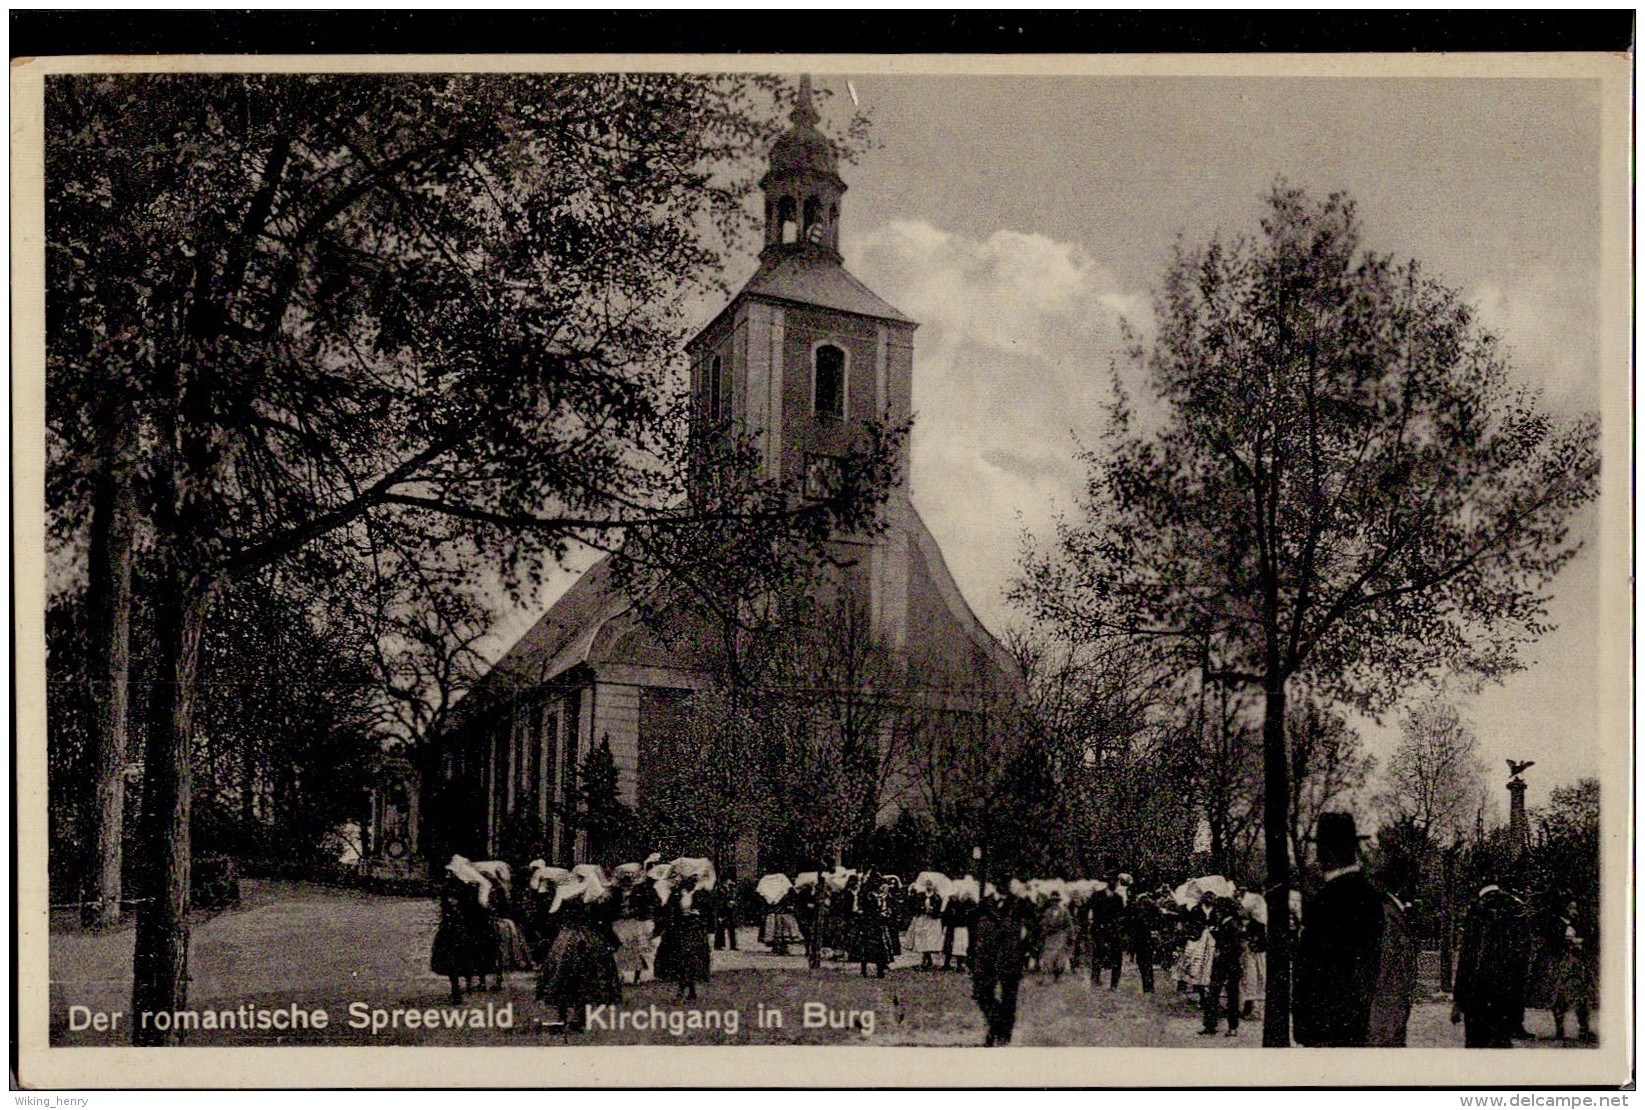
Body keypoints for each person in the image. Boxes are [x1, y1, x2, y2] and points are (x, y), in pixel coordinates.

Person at [1293, 812, 1390, 1047]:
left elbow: (1315, 971)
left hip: (1326, 1028)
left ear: (1327, 852)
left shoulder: (1326, 901)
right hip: (1357, 1023)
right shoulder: (1371, 896)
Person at [1452, 877, 1532, 1047]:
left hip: (1477, 994)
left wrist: (1459, 1000)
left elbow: (1468, 958)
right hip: (1506, 992)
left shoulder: (1477, 908)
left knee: (1477, 1044)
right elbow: (1523, 955)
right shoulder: (1516, 906)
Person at [535, 878, 622, 1032]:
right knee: (584, 981)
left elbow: (551, 917)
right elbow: (602, 921)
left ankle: (564, 1018)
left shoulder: (562, 896)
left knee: (563, 978)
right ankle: (579, 1019)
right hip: (588, 940)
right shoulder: (591, 901)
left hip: (566, 939)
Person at [430, 860, 500, 1004]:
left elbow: (449, 907)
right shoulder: (467, 887)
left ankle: (458, 989)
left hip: (455, 928)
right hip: (459, 928)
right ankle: (459, 988)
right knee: (460, 958)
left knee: (456, 959)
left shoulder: (455, 887)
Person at [971, 889, 1027, 1046]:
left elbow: (1029, 930)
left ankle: (1003, 1033)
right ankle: (996, 1024)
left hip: (1010, 959)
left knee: (1009, 998)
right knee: (982, 994)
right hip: (986, 958)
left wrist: (1023, 953)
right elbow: (974, 931)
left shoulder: (1019, 903)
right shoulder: (985, 903)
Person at [654, 875, 713, 1000]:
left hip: (695, 930)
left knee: (692, 960)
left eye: (693, 881)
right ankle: (682, 989)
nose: (691, 884)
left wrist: (698, 914)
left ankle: (690, 989)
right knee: (681, 960)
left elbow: (709, 912)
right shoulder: (675, 894)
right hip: (679, 930)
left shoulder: (701, 894)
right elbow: (668, 911)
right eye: (688, 881)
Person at [1547, 898, 1595, 1042]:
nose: (1575, 912)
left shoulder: (1576, 924)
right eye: (1571, 908)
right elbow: (1554, 944)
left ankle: (1584, 1029)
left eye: (1575, 908)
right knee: (1561, 996)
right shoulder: (1556, 924)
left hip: (1576, 964)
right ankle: (1560, 1030)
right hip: (1562, 964)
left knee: (1582, 996)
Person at [1199, 896, 1245, 1037]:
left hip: (1229, 962)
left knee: (1228, 995)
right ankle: (1212, 1024)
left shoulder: (1233, 924)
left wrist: (1221, 946)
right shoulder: (1225, 922)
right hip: (1223, 962)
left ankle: (1227, 1026)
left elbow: (1236, 946)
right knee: (1216, 993)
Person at [1038, 889, 1074, 980]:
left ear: (1058, 901)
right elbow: (1043, 923)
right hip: (1050, 936)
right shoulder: (1047, 912)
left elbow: (1069, 924)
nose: (1054, 903)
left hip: (1060, 935)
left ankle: (1058, 975)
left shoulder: (1064, 911)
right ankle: (1044, 976)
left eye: (1056, 901)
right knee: (1048, 956)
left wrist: (1070, 936)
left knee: (1060, 956)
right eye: (1052, 901)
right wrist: (1045, 929)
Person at [1128, 893, 1159, 994]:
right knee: (1143, 963)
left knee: (1146, 963)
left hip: (1146, 939)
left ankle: (1148, 986)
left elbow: (1158, 922)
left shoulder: (1152, 910)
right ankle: (1147, 985)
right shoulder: (1136, 910)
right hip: (1139, 939)